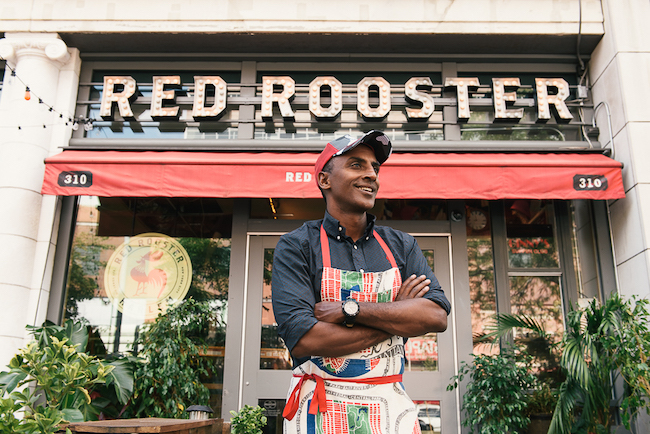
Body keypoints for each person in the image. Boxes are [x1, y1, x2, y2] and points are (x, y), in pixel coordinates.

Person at [271, 130, 451, 434]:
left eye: (375, 168)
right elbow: (306, 339)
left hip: (389, 407)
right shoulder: (297, 246)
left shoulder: (401, 246)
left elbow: (435, 316)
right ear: (325, 180)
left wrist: (349, 310)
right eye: (356, 165)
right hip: (320, 407)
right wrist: (396, 315)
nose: (371, 175)